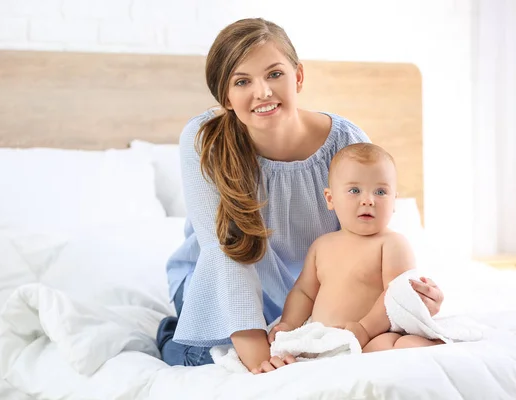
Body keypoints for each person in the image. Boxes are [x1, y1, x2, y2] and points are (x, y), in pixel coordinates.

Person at [156, 17, 445, 374]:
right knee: (208, 361)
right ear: (225, 97)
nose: (262, 92)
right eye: (242, 81)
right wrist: (259, 354)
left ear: (299, 77)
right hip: (219, 278)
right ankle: (171, 333)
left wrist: (407, 302)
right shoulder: (204, 140)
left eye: (274, 74)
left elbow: (370, 243)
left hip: (311, 294)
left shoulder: (347, 143)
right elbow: (223, 251)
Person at [268, 143, 444, 352]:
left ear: (394, 201)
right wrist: (288, 325)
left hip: (374, 334)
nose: (368, 200)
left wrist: (364, 329)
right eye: (354, 190)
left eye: (380, 191)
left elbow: (397, 296)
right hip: (324, 338)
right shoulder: (322, 246)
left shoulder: (392, 244)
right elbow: (304, 292)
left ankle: (432, 346)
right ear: (330, 199)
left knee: (395, 346)